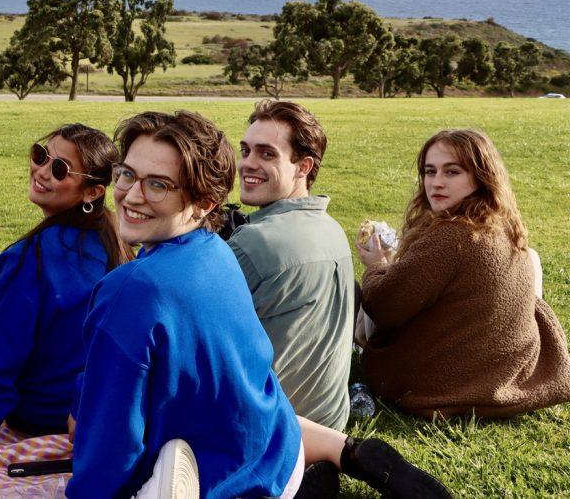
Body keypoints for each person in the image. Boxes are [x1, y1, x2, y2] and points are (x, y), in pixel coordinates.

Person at [67, 111, 452, 499]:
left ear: (203, 202)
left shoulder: (128, 290)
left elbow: (108, 446)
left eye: (158, 185)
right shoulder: (214, 250)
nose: (132, 195)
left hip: (220, 479)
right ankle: (341, 449)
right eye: (127, 174)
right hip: (278, 455)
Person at [357, 128, 570, 418]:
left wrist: (376, 266)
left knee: (348, 288)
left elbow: (383, 307)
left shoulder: (452, 236)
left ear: (481, 176)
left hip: (437, 387)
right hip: (502, 378)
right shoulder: (502, 224)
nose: (436, 183)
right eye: (430, 172)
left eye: (452, 172)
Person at [0, 124, 132, 453]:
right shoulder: (118, 240)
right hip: (94, 407)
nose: (42, 171)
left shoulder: (28, 261)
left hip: (42, 415)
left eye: (59, 169)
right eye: (41, 155)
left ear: (92, 192)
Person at [223, 100, 354, 431]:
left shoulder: (255, 243)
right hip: (328, 424)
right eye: (246, 151)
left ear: (304, 166)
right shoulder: (332, 228)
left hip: (272, 433)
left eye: (267, 154)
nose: (247, 164)